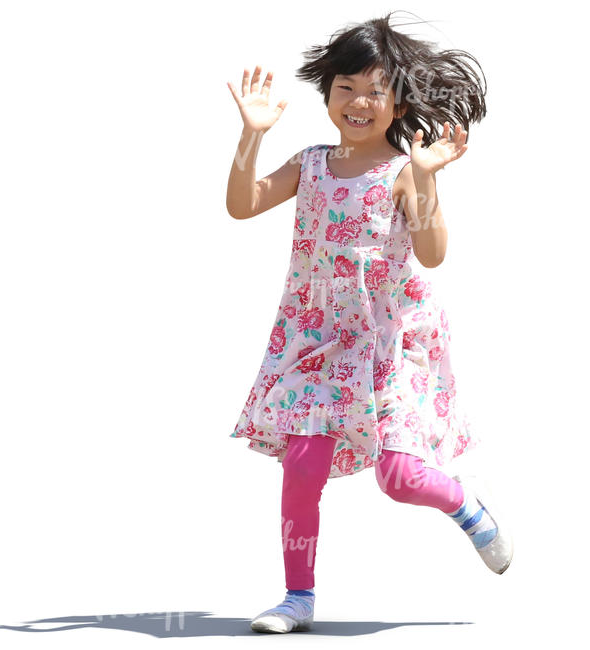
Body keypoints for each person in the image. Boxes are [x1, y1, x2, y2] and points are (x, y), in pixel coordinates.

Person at [226, 10, 513, 634]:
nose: (357, 103)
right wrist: (251, 137)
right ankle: (296, 597)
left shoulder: (406, 173)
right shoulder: (310, 164)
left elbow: (434, 253)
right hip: (317, 339)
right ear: (327, 92)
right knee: (302, 465)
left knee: (401, 477)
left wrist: (430, 179)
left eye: (373, 91)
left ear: (398, 101)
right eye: (345, 88)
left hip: (387, 341)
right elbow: (242, 206)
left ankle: (465, 505)